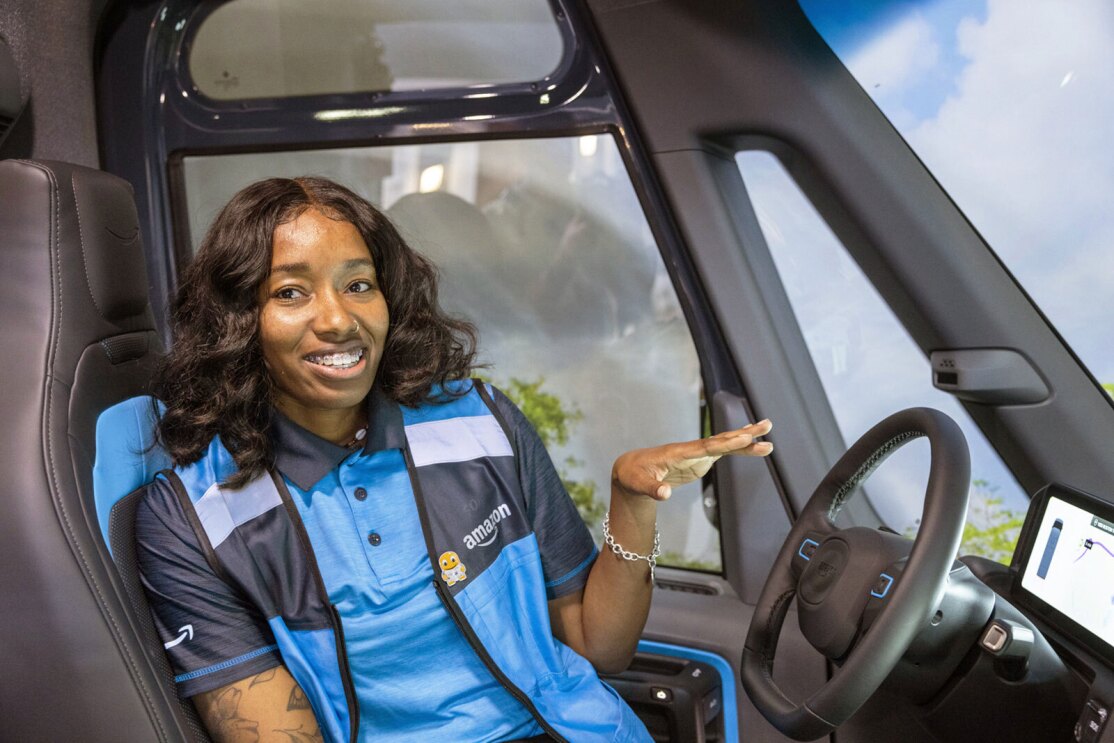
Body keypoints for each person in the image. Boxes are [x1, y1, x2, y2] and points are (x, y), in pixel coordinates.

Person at [135, 176, 774, 743]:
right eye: (291, 293)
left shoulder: (479, 421)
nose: (338, 319)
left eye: (359, 285)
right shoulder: (194, 515)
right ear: (238, 320)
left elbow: (599, 646)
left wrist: (631, 501)